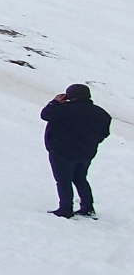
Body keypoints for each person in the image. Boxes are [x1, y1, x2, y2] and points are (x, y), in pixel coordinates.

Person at [42, 84, 112, 218]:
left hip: (61, 151)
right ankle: (88, 207)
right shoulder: (101, 113)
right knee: (80, 178)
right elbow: (104, 133)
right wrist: (93, 142)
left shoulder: (64, 109)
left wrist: (55, 102)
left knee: (63, 180)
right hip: (87, 152)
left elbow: (46, 115)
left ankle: (65, 209)